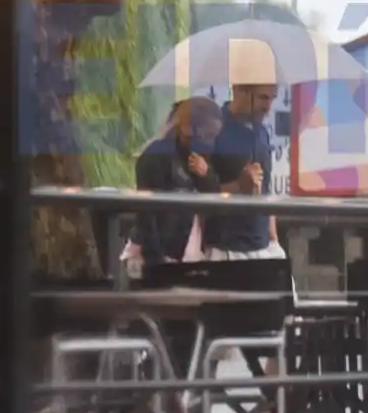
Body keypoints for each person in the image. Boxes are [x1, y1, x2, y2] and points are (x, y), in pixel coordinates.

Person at [121, 96, 223, 278]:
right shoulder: (157, 156)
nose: (211, 144)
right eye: (207, 136)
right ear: (188, 129)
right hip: (158, 253)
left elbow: (215, 199)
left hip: (186, 252)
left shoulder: (198, 158)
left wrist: (205, 175)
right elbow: (147, 214)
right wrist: (157, 261)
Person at [204, 83, 285, 260]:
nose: (268, 107)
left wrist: (274, 242)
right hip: (225, 247)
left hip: (264, 246)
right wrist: (239, 186)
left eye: (273, 98)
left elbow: (266, 189)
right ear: (239, 91)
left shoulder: (262, 132)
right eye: (263, 98)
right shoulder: (212, 130)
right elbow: (200, 194)